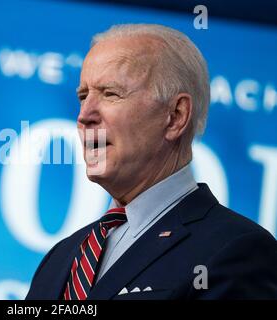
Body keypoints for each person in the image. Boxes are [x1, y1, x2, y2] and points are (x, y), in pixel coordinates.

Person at [25, 24, 277, 300]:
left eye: (110, 93)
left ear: (175, 116)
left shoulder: (236, 250)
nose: (84, 116)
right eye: (83, 96)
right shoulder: (61, 258)